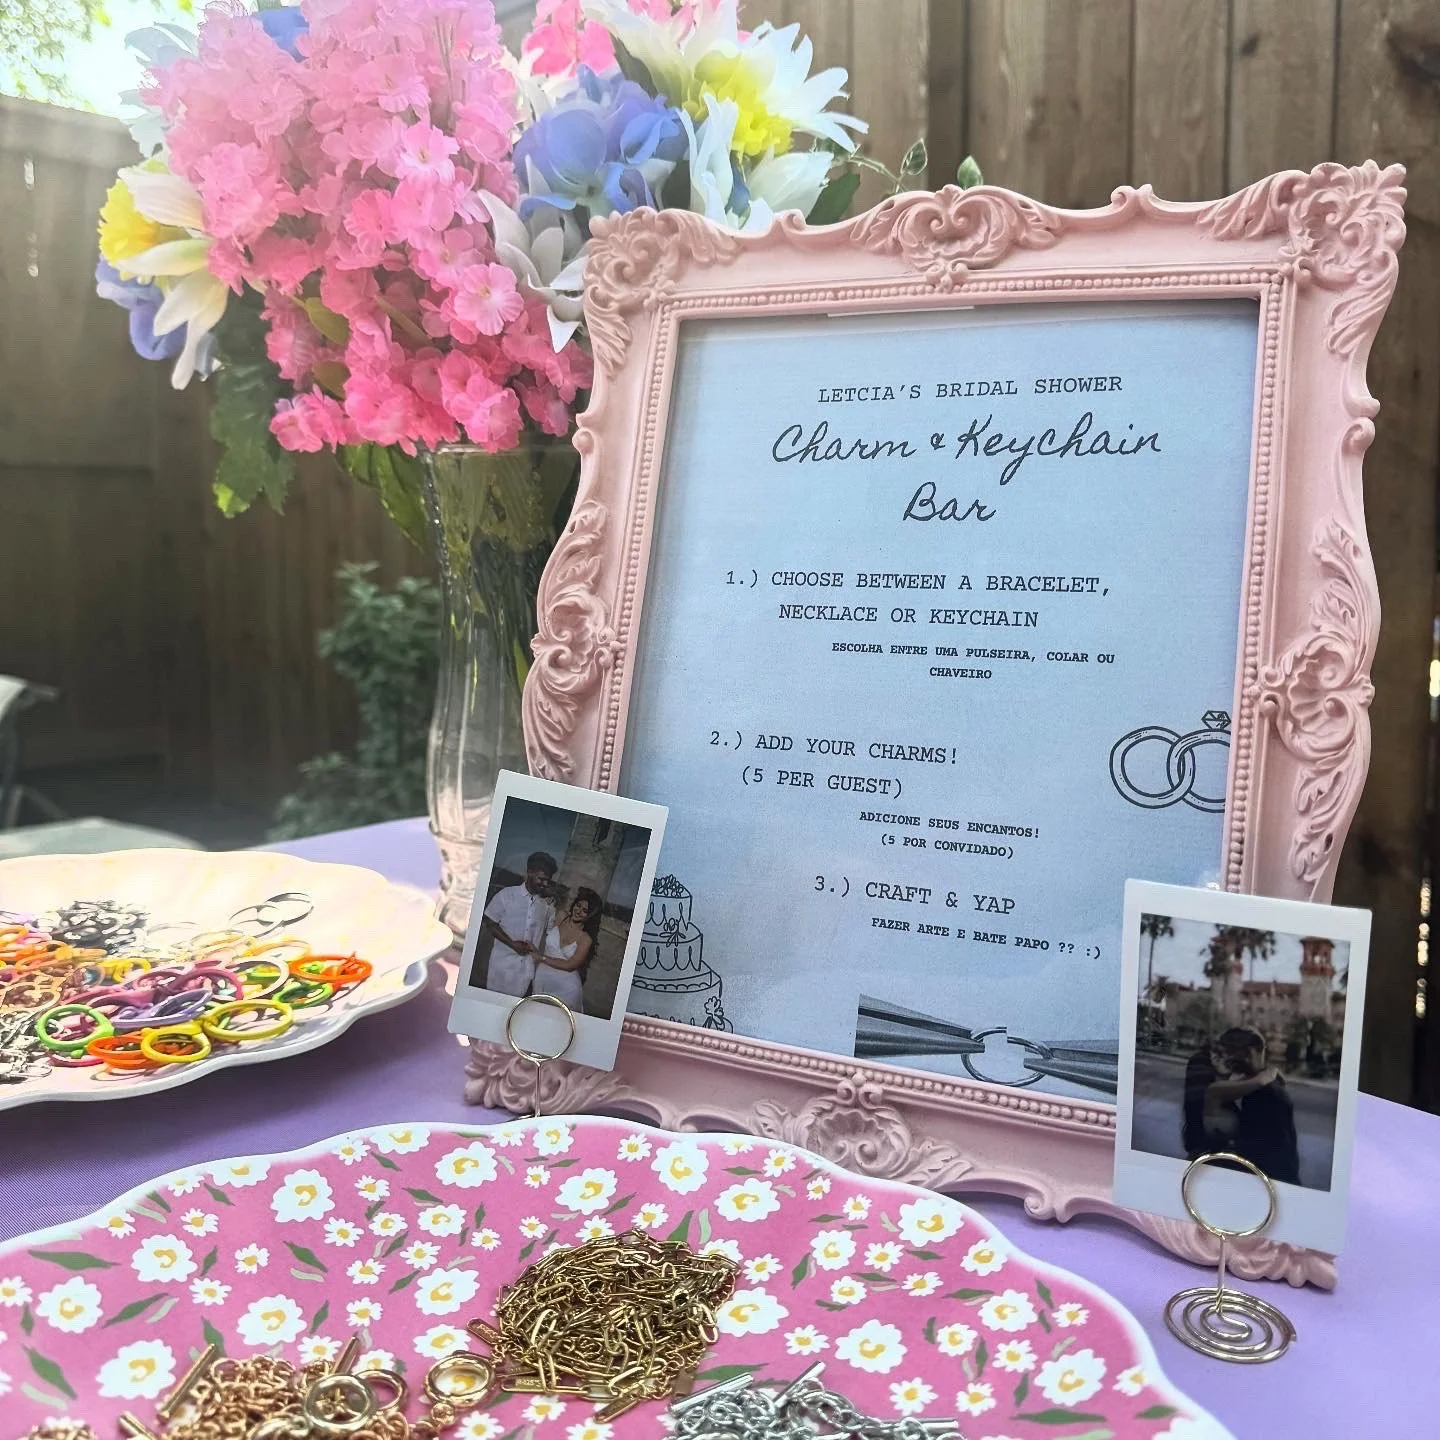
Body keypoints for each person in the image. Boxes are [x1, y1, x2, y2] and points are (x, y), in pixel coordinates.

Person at [1208, 1027, 1301, 1185]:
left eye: (1230, 1054)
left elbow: (1275, 1148)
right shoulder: (1258, 1085)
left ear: (1250, 1053)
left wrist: (1232, 1147)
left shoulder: (1267, 1092)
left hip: (1275, 1180)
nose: (1228, 1061)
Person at [478, 852, 557, 996]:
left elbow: (547, 936)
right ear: (529, 873)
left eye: (548, 880)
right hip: (501, 966)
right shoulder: (507, 895)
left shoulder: (546, 907)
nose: (545, 884)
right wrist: (512, 943)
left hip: (526, 970)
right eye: (541, 879)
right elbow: (490, 923)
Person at [531, 887, 603, 1013]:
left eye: (585, 910)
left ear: (590, 915)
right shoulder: (561, 916)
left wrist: (541, 958)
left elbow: (570, 965)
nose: (578, 911)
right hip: (542, 977)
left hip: (566, 988)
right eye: (578, 905)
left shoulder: (586, 939)